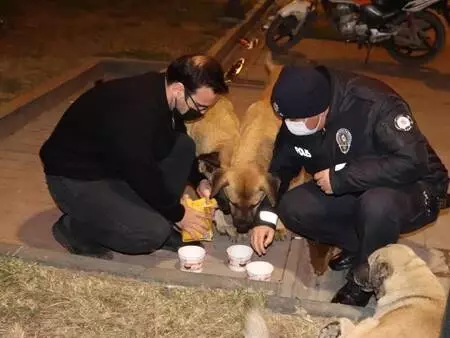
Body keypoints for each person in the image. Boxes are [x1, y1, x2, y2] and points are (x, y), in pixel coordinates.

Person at [250, 64, 449, 307]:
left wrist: (340, 178)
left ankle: (363, 280)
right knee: (294, 207)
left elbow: (412, 161)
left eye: (299, 119)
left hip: (415, 186)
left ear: (323, 109)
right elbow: (280, 170)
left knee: (377, 205)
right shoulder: (299, 109)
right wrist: (265, 218)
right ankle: (367, 247)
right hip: (353, 185)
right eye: (288, 119)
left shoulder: (374, 104)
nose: (293, 125)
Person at [39, 54, 228, 260]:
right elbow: (140, 170)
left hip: (114, 166)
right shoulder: (136, 110)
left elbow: (173, 140)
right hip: (76, 178)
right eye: (200, 106)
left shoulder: (164, 92)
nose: (202, 112)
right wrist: (179, 214)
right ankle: (75, 229)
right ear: (179, 89)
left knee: (182, 146)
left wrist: (198, 179)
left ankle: (158, 219)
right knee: (149, 233)